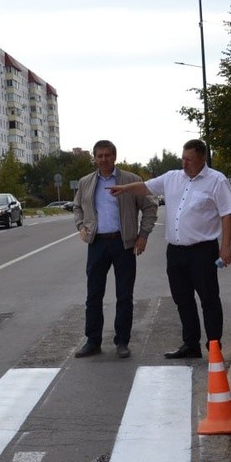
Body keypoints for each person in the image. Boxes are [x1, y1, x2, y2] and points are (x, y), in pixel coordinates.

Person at [110, 138, 231, 359]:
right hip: (176, 252)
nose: (184, 163)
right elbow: (146, 186)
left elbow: (227, 213)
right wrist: (124, 188)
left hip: (203, 251)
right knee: (182, 300)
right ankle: (191, 345)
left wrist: (225, 246)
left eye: (189, 159)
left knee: (209, 299)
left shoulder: (217, 181)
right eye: (183, 158)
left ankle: (214, 346)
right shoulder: (172, 178)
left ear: (202, 158)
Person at [72, 140, 158, 359]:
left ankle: (122, 342)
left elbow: (149, 207)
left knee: (124, 295)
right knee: (93, 295)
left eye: (108, 155)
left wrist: (143, 235)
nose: (104, 159)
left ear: (115, 156)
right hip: (97, 244)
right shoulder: (86, 182)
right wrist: (81, 227)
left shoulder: (130, 180)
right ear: (94, 158)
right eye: (99, 156)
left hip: (123, 243)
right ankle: (93, 341)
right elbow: (77, 207)